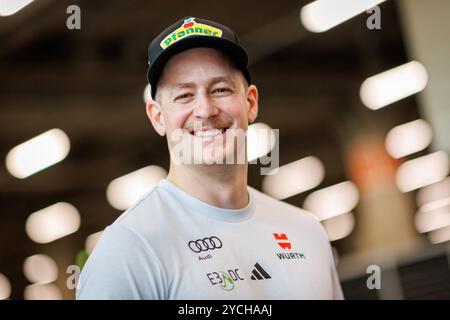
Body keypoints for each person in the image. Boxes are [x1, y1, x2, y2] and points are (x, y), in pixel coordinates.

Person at [76, 16, 344, 300]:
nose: (205, 110)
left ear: (250, 103)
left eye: (220, 90)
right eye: (184, 95)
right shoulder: (130, 249)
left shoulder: (307, 231)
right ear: (157, 117)